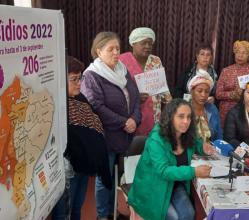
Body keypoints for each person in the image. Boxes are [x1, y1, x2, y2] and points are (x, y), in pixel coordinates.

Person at [80, 32, 141, 220]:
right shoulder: (92, 75)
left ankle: (114, 210)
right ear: (99, 51)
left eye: (118, 48)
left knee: (118, 176)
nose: (116, 53)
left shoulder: (122, 69)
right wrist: (124, 122)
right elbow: (96, 106)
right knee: (104, 178)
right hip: (105, 137)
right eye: (110, 49)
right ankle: (103, 215)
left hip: (125, 135)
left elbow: (136, 97)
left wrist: (134, 119)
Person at [128, 98, 215, 220]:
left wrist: (203, 147)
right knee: (173, 217)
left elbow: (196, 143)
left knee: (189, 214)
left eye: (189, 117)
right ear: (170, 117)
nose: (186, 121)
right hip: (153, 187)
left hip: (174, 184)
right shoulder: (156, 139)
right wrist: (193, 171)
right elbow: (163, 171)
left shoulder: (186, 133)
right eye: (181, 116)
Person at [52, 56, 111, 220]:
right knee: (64, 213)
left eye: (80, 78)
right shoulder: (56, 104)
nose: (79, 83)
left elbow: (93, 124)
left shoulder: (80, 98)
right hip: (67, 169)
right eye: (73, 79)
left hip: (84, 166)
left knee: (77, 208)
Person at [119, 27, 172, 135]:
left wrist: (171, 106)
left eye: (150, 43)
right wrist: (135, 97)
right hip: (132, 115)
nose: (148, 46)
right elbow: (116, 90)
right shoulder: (122, 61)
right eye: (144, 43)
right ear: (133, 43)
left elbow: (162, 86)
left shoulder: (155, 60)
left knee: (152, 144)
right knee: (134, 147)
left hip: (154, 113)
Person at [216, 40, 249, 126]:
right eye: (237, 52)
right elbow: (218, 94)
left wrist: (246, 94)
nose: (240, 55)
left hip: (247, 111)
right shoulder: (226, 71)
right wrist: (233, 94)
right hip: (226, 112)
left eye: (244, 53)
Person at [187, 69, 223, 142]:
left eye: (207, 92)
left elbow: (219, 135)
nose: (203, 95)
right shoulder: (185, 109)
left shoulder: (212, 109)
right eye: (199, 91)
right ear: (191, 91)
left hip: (211, 151)